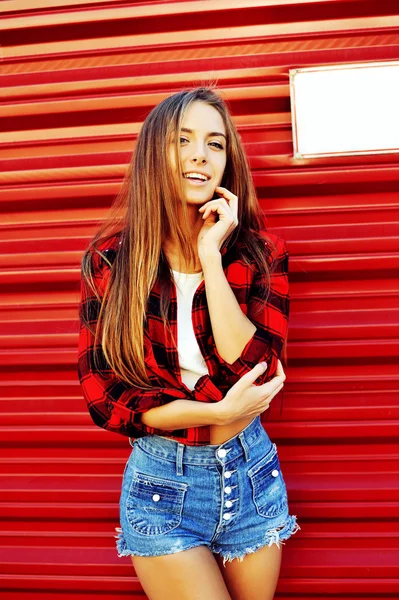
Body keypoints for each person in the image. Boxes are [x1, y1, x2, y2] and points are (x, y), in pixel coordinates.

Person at [78, 86, 299, 600]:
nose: (201, 153)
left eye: (215, 143)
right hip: (163, 483)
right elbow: (105, 399)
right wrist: (221, 411)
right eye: (184, 139)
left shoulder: (261, 254)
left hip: (252, 475)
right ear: (158, 152)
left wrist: (211, 256)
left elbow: (256, 367)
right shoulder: (111, 262)